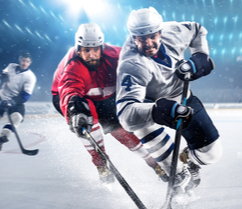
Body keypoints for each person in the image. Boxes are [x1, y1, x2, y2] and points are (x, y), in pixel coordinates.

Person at [116, 7, 222, 194]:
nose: (148, 43)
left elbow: (198, 29)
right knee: (176, 174)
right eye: (141, 39)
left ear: (160, 32)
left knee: (212, 155)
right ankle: (176, 175)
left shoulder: (174, 31)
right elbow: (126, 115)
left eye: (152, 36)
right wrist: (156, 111)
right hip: (148, 106)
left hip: (181, 97)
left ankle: (188, 159)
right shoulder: (131, 64)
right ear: (134, 38)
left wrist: (200, 56)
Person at [52, 23, 168, 184]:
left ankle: (155, 164)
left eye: (95, 50)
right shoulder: (73, 66)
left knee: (125, 133)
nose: (91, 55)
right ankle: (100, 163)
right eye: (86, 50)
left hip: (105, 95)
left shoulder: (118, 56)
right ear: (79, 50)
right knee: (86, 118)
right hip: (69, 98)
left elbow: (144, 61)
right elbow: (69, 88)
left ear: (102, 47)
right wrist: (75, 108)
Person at [0, 52, 36, 151]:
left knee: (16, 118)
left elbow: (26, 96)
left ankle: (0, 141)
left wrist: (12, 102)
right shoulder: (11, 66)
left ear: (30, 63)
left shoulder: (31, 77)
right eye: (23, 60)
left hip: (17, 102)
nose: (24, 63)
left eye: (27, 61)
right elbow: (3, 73)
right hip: (2, 97)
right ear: (20, 60)